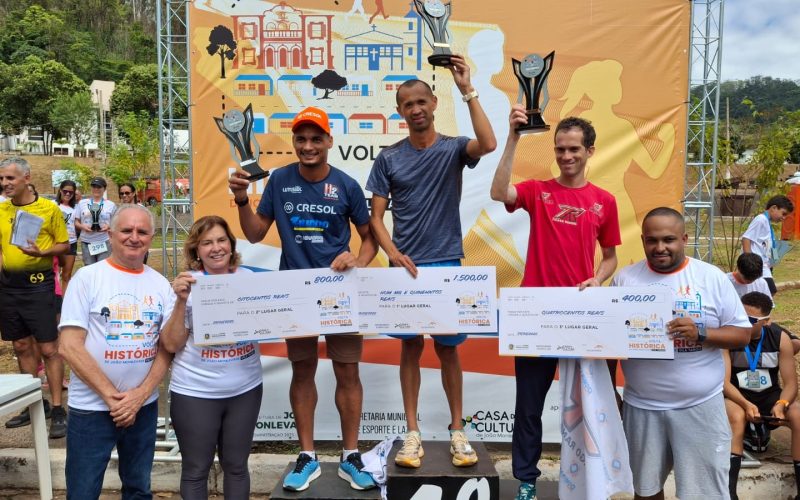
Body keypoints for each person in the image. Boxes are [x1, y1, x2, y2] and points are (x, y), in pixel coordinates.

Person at [229, 106, 378, 492]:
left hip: (339, 293)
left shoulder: (346, 185)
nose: (308, 146)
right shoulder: (279, 180)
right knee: (303, 371)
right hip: (295, 294)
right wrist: (243, 200)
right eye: (301, 139)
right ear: (294, 142)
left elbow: (370, 237)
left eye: (316, 138)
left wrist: (357, 260)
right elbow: (257, 233)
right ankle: (308, 456)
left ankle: (350, 455)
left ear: (329, 141)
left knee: (348, 373)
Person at [367, 58, 496, 470]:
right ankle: (412, 434)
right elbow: (375, 218)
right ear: (400, 110)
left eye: (422, 100)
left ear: (434, 103)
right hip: (405, 269)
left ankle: (458, 431)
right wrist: (391, 251)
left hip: (446, 264)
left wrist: (468, 89)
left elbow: (489, 143)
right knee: (409, 348)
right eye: (408, 103)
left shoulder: (454, 147)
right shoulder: (388, 158)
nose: (416, 108)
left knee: (448, 350)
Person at [490, 107, 620, 499]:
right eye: (560, 149)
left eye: (574, 149)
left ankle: (588, 478)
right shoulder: (537, 190)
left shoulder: (604, 201)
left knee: (588, 405)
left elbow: (611, 256)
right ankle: (527, 481)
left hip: (582, 316)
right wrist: (513, 136)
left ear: (590, 151)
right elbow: (499, 192)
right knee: (528, 408)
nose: (566, 156)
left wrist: (597, 279)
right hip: (536, 314)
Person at [611, 207, 751, 500]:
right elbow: (610, 342)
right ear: (642, 240)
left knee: (704, 494)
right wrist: (610, 390)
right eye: (651, 240)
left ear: (684, 239)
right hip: (642, 407)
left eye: (668, 239)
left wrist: (701, 333)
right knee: (645, 490)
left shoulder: (711, 278)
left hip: (700, 406)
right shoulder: (625, 280)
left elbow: (742, 334)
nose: (659, 247)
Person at [58, 204, 175, 500]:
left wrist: (139, 396)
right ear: (110, 234)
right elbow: (69, 346)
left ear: (151, 237)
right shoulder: (87, 278)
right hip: (92, 409)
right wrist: (113, 398)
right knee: (82, 492)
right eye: (126, 230)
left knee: (138, 489)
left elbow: (167, 348)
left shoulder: (161, 285)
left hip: (143, 407)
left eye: (142, 231)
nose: (134, 237)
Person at [161, 216, 263, 499]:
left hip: (245, 389)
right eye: (206, 243)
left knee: (237, 467)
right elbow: (170, 343)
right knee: (195, 470)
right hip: (195, 391)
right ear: (196, 250)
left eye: (221, 240)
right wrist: (181, 300)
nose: (215, 248)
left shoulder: (249, 279)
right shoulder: (187, 285)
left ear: (231, 245)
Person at [0, 157, 69, 438]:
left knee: (50, 349)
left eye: (10, 179)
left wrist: (42, 253)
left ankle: (57, 408)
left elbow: (64, 244)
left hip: (39, 286)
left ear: (26, 178)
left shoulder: (48, 209)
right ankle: (32, 404)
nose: (5, 184)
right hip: (8, 289)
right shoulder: (2, 210)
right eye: (2, 179)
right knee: (20, 345)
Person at [724, 291, 800, 500]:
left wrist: (782, 404)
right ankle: (729, 493)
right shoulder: (729, 336)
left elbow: (791, 383)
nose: (743, 323)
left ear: (766, 321)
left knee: (798, 414)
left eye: (750, 320)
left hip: (770, 397)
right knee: (736, 417)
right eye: (739, 315)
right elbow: (723, 382)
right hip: (736, 396)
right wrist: (745, 403)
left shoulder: (780, 337)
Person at [742, 194, 794, 295]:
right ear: (774, 208)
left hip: (764, 265)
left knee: (766, 292)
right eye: (783, 214)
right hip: (755, 266)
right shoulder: (761, 219)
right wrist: (748, 261)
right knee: (769, 290)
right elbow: (746, 238)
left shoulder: (767, 223)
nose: (783, 218)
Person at [74, 176, 116, 265]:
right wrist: (82, 226)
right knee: (89, 268)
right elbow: (76, 221)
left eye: (99, 187)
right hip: (86, 241)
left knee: (103, 267)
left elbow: (116, 222)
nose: (96, 189)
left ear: (104, 189)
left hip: (104, 241)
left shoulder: (111, 205)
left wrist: (109, 226)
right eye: (94, 186)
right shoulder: (82, 203)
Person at [57, 179, 79, 293]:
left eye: (71, 192)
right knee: (54, 275)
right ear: (60, 190)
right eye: (65, 191)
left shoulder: (76, 208)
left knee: (66, 275)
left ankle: (65, 301)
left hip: (71, 243)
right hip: (56, 243)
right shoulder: (53, 205)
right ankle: (54, 302)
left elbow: (77, 223)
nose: (67, 194)